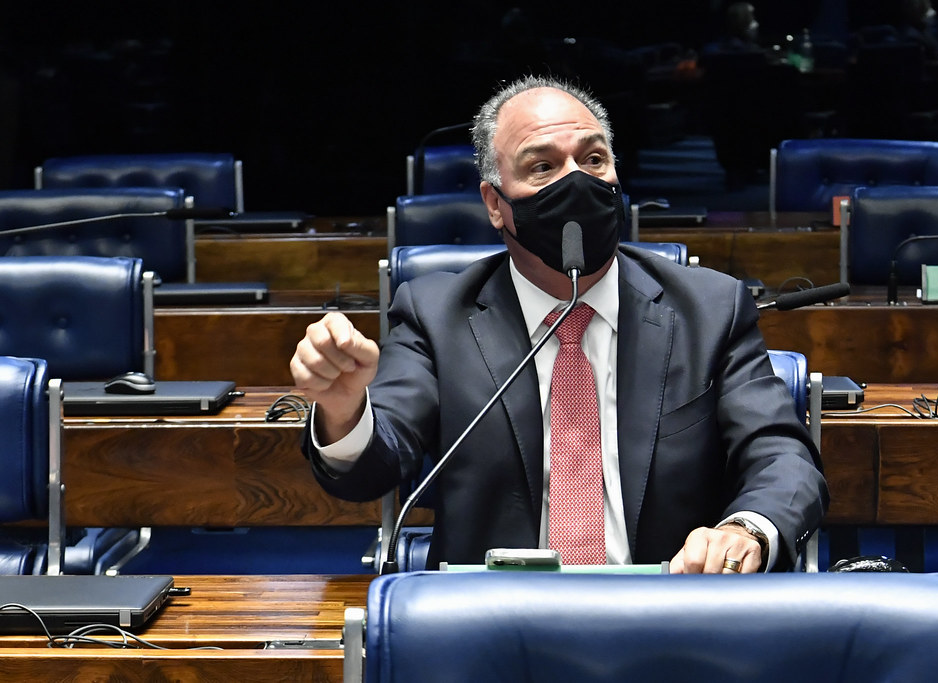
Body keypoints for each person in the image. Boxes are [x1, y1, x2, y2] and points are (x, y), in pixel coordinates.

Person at [291, 75, 828, 574]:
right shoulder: (437, 315)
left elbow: (782, 457)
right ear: (495, 205)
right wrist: (343, 411)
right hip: (499, 625)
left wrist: (745, 530)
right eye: (542, 167)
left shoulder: (709, 309)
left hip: (670, 611)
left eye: (593, 159)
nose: (576, 181)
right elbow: (373, 470)